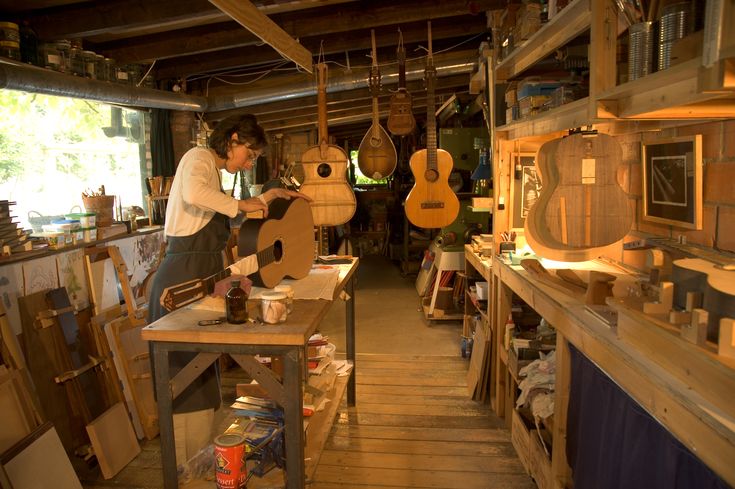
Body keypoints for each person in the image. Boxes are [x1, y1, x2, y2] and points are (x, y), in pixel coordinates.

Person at [147, 113, 308, 466]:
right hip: (181, 279)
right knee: (183, 374)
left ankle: (200, 463)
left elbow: (219, 212)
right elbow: (194, 193)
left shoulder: (213, 175)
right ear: (233, 139)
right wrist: (240, 204)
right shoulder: (198, 158)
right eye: (249, 154)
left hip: (202, 272)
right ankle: (184, 468)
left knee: (202, 373)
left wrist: (268, 195)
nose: (250, 162)